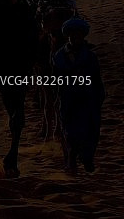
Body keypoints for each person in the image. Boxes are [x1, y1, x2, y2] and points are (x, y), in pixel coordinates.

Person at [52, 17, 105, 174]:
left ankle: (87, 158)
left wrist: (99, 95)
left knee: (91, 130)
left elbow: (96, 78)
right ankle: (72, 158)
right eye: (72, 34)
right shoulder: (59, 57)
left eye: (78, 34)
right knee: (70, 132)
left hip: (88, 98)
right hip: (68, 99)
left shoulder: (90, 57)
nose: (75, 37)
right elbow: (55, 79)